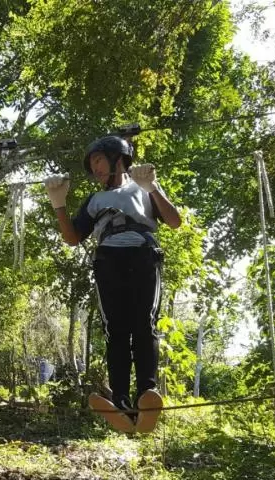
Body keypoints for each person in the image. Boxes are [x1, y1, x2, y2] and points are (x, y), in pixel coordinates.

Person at [43, 135, 182, 434]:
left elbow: (174, 221)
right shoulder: (95, 200)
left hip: (144, 254)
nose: (95, 169)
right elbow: (72, 237)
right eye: (91, 164)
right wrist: (59, 204)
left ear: (116, 157)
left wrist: (153, 188)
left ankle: (147, 393)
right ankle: (120, 399)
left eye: (97, 160)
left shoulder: (143, 188)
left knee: (144, 324)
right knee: (115, 331)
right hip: (108, 259)